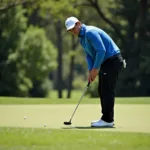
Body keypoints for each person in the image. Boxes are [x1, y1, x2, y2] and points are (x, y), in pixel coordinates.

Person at [65, 16, 126, 127]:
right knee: (102, 90)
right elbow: (89, 55)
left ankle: (107, 120)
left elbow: (101, 50)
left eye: (73, 28)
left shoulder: (89, 32)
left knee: (107, 90)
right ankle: (107, 118)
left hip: (112, 60)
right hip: (107, 62)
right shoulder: (81, 38)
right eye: (70, 30)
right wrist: (90, 70)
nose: (73, 31)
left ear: (79, 23)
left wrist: (95, 68)